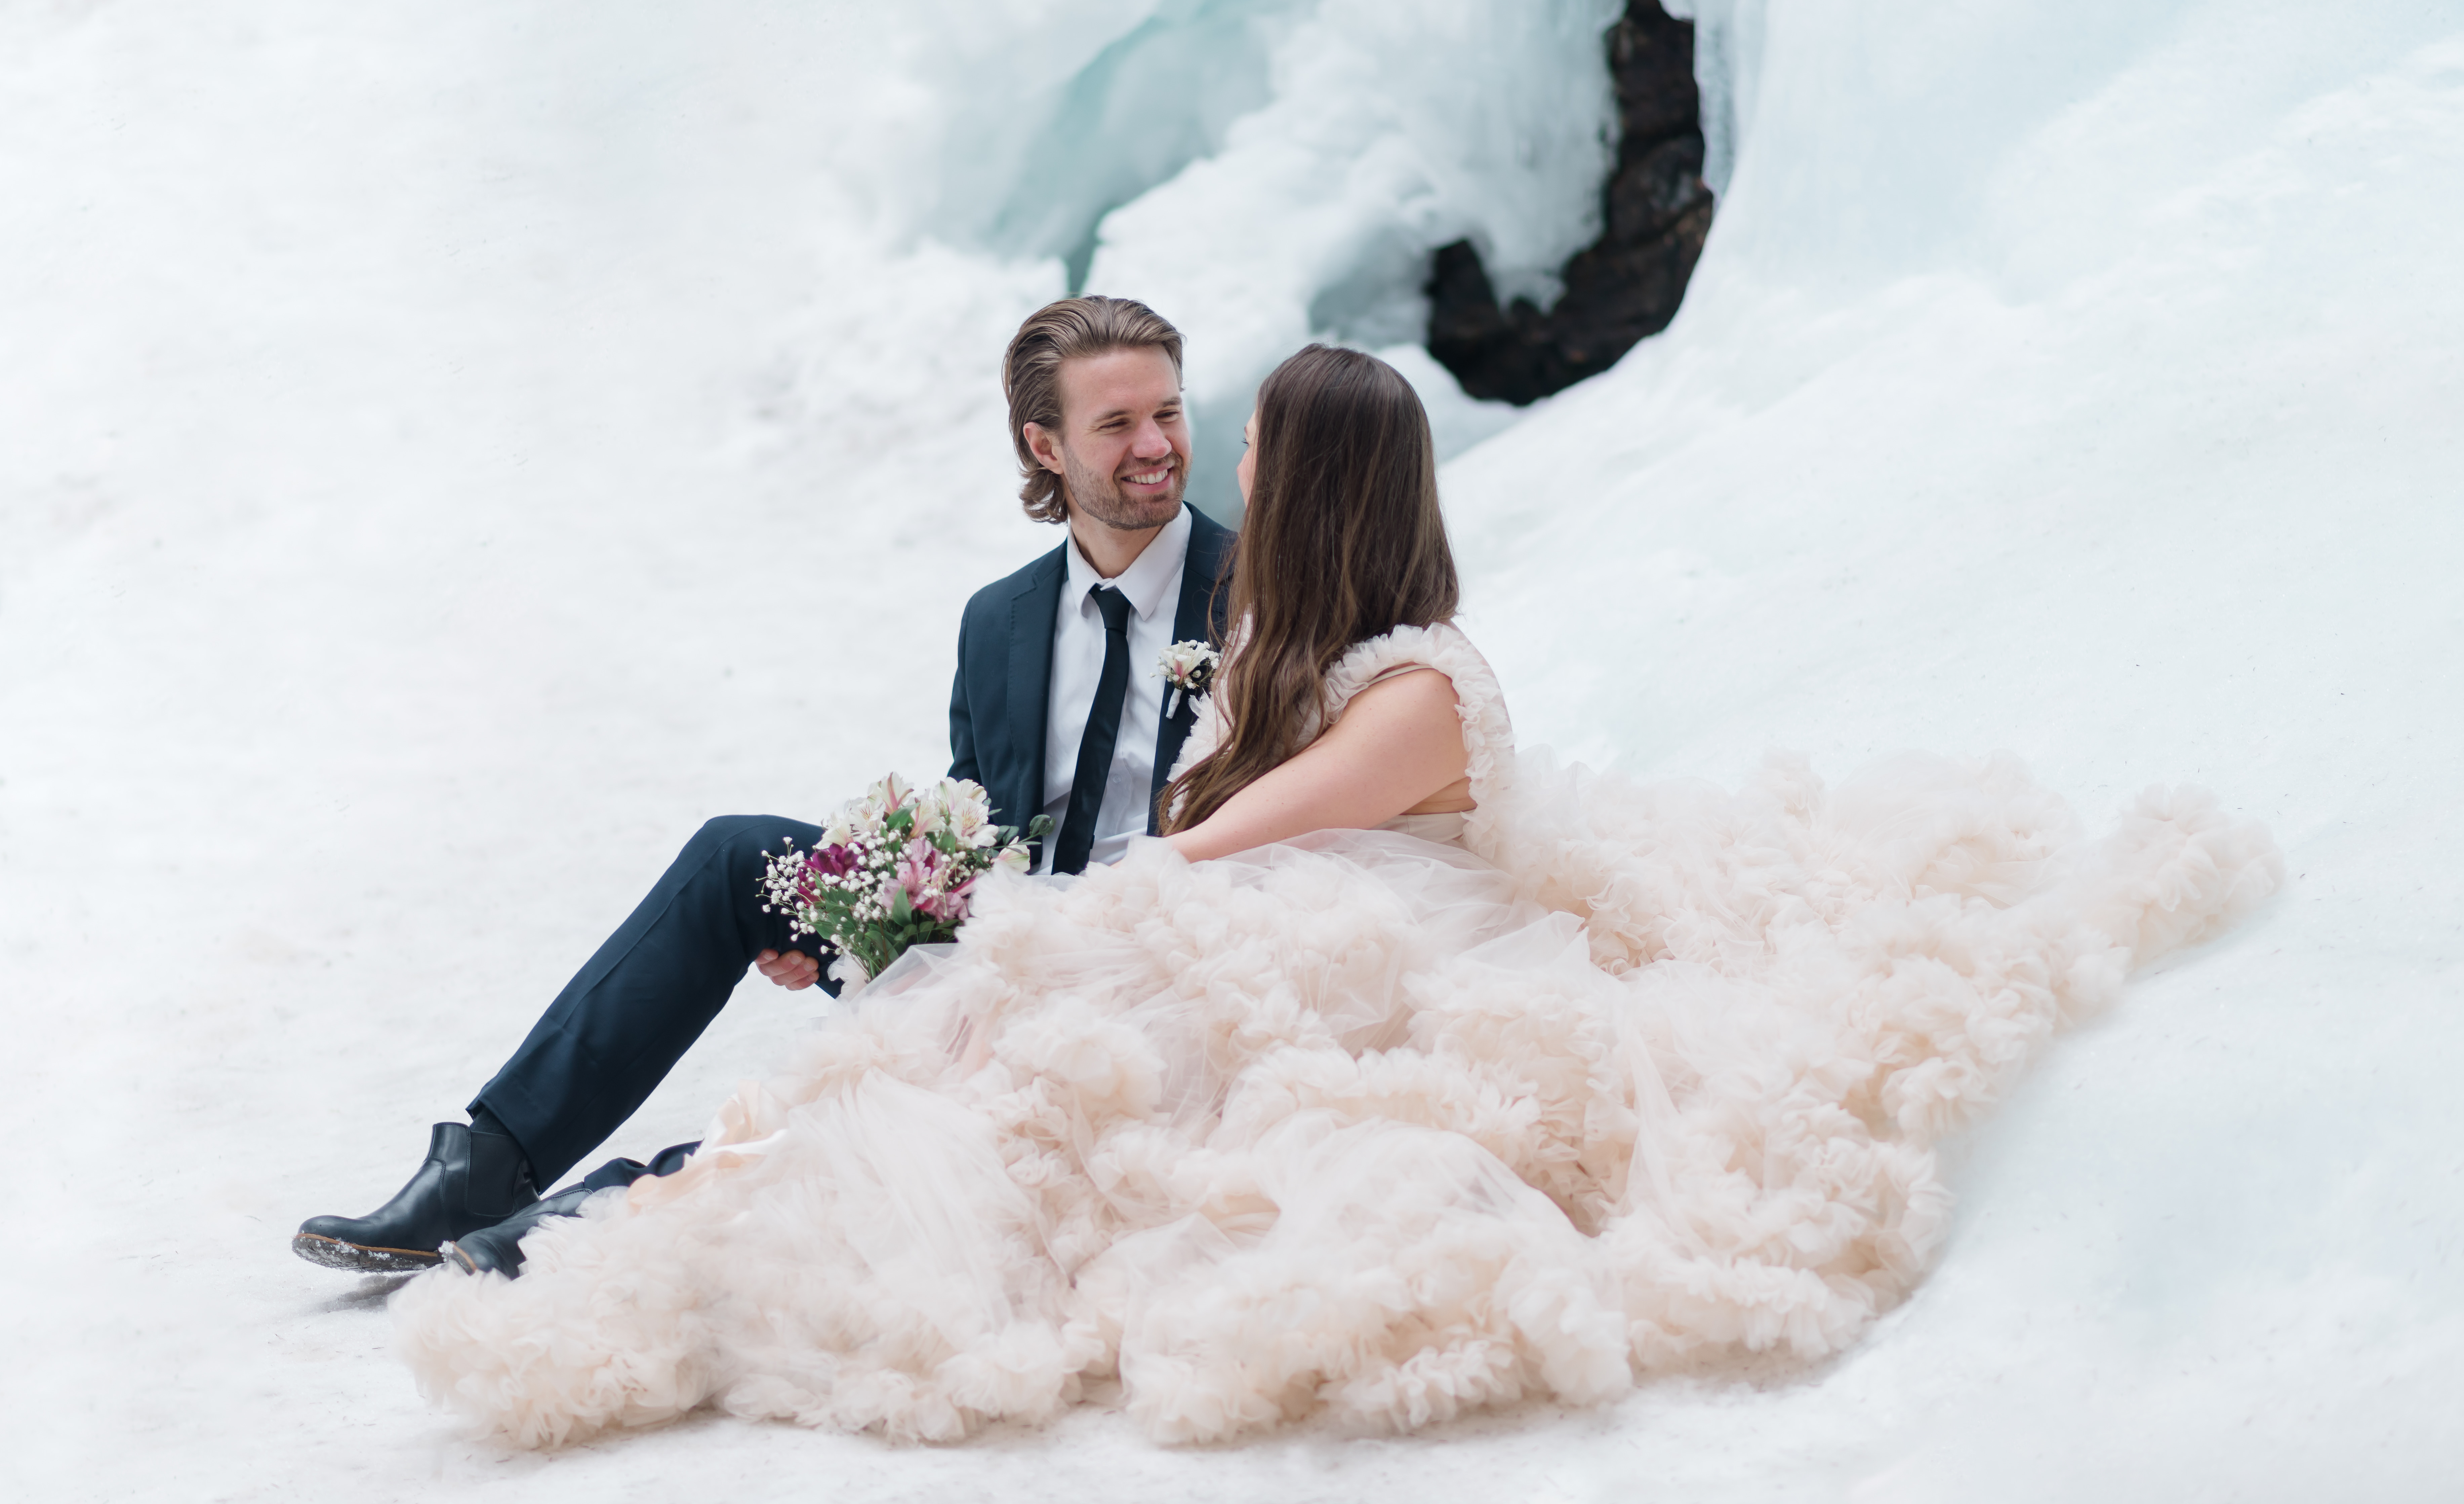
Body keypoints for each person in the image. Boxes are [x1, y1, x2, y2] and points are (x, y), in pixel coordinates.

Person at [392, 344, 2283, 1449]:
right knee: (818, 916)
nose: (1202, 463)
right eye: (1144, 433)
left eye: (1240, 452)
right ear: (1040, 450)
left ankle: (628, 1208)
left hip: (1286, 960)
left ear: (1310, 490)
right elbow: (1103, 827)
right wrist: (936, 890)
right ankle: (517, 1168)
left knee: (997, 1074)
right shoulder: (1130, 634)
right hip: (1162, 922)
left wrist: (1040, 926)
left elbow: (1213, 851)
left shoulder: (1408, 684)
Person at [293, 294, 1234, 1272]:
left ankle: (606, 1214)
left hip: (1135, 973)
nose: (1155, 445)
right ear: (1046, 448)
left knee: (888, 1101)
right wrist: (873, 936)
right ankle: (490, 1162)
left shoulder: (1253, 593)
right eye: (1116, 424)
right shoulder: (1001, 618)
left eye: (1166, 413)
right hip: (994, 934)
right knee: (736, 857)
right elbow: (982, 820)